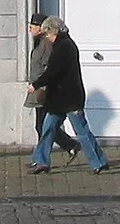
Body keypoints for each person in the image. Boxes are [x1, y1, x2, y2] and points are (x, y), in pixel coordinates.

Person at [28, 15, 108, 174]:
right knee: (47, 129)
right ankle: (41, 161)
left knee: (82, 131)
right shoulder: (65, 44)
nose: (47, 37)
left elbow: (53, 71)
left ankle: (99, 161)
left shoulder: (63, 47)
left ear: (53, 31)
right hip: (59, 99)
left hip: (69, 98)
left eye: (48, 34)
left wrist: (36, 84)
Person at [27, 12, 81, 163]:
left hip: (44, 90)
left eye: (32, 27)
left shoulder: (47, 44)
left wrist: (38, 84)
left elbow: (50, 68)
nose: (30, 29)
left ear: (40, 28)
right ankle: (67, 146)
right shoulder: (39, 42)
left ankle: (44, 157)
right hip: (40, 88)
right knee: (44, 125)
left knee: (43, 125)